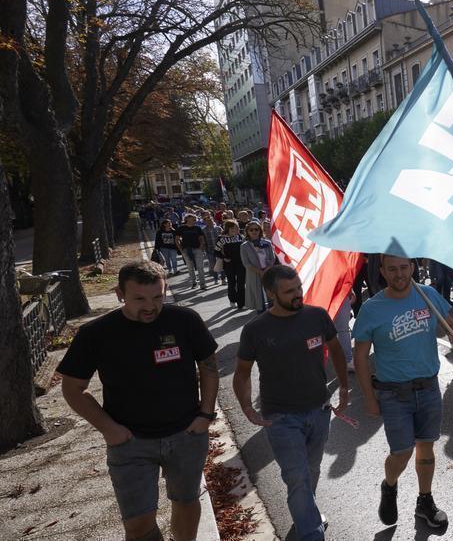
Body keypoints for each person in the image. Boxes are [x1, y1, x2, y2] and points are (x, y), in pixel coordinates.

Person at [57, 261, 218, 541]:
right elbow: (73, 388)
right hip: (130, 444)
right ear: (120, 294)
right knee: (138, 526)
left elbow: (208, 365)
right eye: (139, 299)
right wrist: (110, 429)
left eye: (158, 296)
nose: (150, 306)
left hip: (186, 435)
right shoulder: (95, 334)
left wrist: (205, 415)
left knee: (186, 501)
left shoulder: (185, 320)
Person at [234, 265, 349, 541]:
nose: (298, 294)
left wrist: (344, 388)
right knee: (297, 477)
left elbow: (335, 349)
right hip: (281, 418)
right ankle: (311, 533)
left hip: (319, 411)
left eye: (299, 288)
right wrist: (247, 407)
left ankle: (305, 517)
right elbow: (242, 372)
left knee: (310, 471)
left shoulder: (317, 316)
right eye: (290, 291)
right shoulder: (255, 330)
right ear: (271, 294)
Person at [352, 255, 453, 530]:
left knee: (426, 447)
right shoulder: (372, 307)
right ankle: (389, 486)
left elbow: (451, 319)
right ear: (382, 271)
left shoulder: (426, 294)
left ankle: (424, 501)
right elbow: (360, 354)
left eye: (404, 267)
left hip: (428, 387)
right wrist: (368, 397)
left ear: (413, 268)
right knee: (402, 452)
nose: (399, 274)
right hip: (393, 393)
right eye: (392, 269)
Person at [240, 220, 276, 312]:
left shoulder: (267, 243)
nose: (254, 232)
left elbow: (272, 258)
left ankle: (274, 317)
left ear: (260, 230)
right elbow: (246, 263)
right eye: (251, 230)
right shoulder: (244, 246)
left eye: (256, 229)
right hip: (254, 273)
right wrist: (260, 272)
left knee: (271, 296)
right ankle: (262, 318)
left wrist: (266, 270)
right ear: (247, 232)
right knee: (258, 299)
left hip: (268, 272)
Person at [215, 220, 245, 310]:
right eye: (235, 227)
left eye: (237, 227)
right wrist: (224, 258)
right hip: (229, 264)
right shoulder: (222, 238)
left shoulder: (241, 237)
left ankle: (241, 303)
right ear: (229, 228)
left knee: (241, 283)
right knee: (231, 283)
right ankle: (232, 300)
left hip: (241, 263)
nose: (237, 229)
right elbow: (216, 251)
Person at [175, 214, 208, 291]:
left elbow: (201, 238)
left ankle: (202, 284)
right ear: (188, 219)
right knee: (190, 267)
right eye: (194, 219)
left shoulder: (197, 228)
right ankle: (194, 282)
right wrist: (181, 250)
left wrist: (200, 248)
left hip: (197, 249)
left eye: (195, 219)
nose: (195, 220)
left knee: (200, 267)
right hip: (186, 250)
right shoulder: (181, 228)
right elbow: (177, 239)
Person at [200, 211, 221, 284]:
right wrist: (203, 250)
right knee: (213, 265)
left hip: (220, 249)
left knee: (221, 264)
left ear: (213, 220)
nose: (209, 222)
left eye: (210, 220)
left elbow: (223, 238)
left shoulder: (218, 228)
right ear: (205, 222)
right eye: (207, 221)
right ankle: (216, 278)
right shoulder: (203, 230)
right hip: (210, 250)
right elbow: (203, 241)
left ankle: (223, 278)